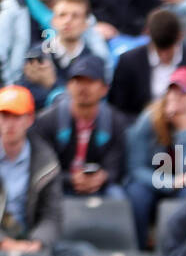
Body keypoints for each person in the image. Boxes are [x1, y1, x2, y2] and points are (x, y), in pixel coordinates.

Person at [0, 84, 93, 256]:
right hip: (2, 242)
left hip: (31, 241)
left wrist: (36, 242)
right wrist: (4, 242)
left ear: (29, 120)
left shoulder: (46, 161)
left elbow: (52, 214)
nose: (9, 124)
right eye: (4, 116)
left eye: (16, 117)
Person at [124, 65, 186, 247]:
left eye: (184, 93)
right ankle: (137, 248)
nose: (176, 98)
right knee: (137, 194)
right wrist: (168, 182)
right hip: (153, 179)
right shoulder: (149, 118)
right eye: (172, 92)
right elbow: (136, 168)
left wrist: (185, 131)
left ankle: (182, 248)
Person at [0, 0, 108, 89]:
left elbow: (98, 82)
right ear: (54, 20)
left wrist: (53, 84)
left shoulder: (92, 57)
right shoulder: (11, 11)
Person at [32, 54, 127, 200]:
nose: (83, 87)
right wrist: (69, 178)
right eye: (77, 81)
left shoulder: (115, 122)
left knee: (118, 196)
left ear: (104, 89)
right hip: (61, 185)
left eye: (90, 81)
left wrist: (103, 177)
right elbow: (44, 165)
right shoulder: (48, 120)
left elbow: (115, 165)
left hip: (101, 187)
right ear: (68, 86)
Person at [107, 7, 186, 119]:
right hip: (141, 126)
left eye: (169, 48)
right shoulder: (128, 61)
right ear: (147, 35)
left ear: (181, 36)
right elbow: (118, 108)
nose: (164, 55)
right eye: (159, 48)